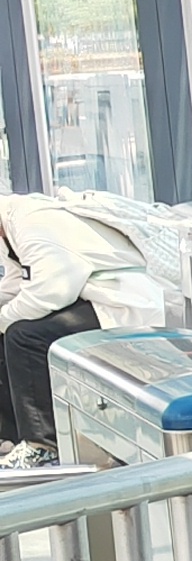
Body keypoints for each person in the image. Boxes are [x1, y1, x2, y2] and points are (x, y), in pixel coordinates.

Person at [0, 190, 141, 467]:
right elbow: (17, 282)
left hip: (117, 300)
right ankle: (12, 439)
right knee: (9, 332)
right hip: (84, 296)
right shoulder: (9, 229)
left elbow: (49, 293)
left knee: (23, 337)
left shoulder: (31, 221)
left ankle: (43, 446)